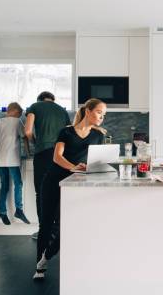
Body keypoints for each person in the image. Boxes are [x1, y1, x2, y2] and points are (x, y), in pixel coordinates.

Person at [33, 98, 107, 280]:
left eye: (103, 115)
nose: (101, 117)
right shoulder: (66, 132)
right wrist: (73, 166)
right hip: (52, 181)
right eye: (99, 112)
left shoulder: (99, 135)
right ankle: (39, 268)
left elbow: (98, 161)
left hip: (75, 184)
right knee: (47, 224)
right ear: (88, 111)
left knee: (68, 224)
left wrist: (93, 168)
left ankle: (46, 257)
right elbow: (57, 157)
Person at [25, 91, 70, 238]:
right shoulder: (62, 110)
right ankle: (58, 231)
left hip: (43, 153)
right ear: (53, 100)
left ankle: (45, 231)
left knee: (42, 193)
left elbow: (27, 131)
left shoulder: (35, 106)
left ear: (39, 100)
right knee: (59, 192)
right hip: (60, 156)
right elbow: (69, 134)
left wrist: (35, 142)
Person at [0, 102, 31, 225]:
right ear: (15, 112)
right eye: (20, 114)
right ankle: (19, 210)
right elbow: (24, 138)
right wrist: (28, 152)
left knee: (4, 186)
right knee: (18, 184)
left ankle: (2, 212)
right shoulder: (17, 122)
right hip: (12, 159)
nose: (20, 116)